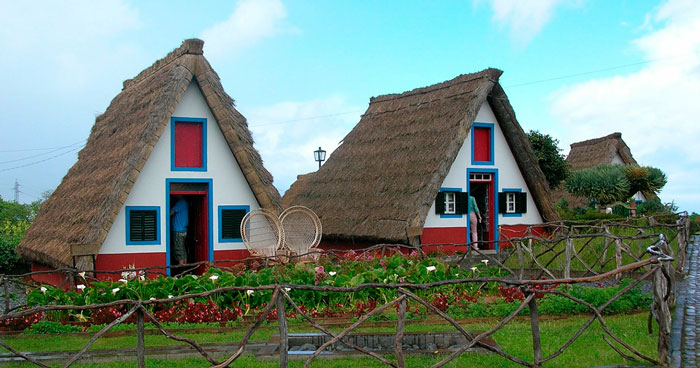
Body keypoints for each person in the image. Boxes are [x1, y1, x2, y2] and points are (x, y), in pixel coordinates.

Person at [170, 196, 188, 265]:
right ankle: (185, 267)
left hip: (178, 230)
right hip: (183, 230)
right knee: (182, 249)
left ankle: (181, 269)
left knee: (178, 250)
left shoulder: (180, 202)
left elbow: (171, 212)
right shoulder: (184, 202)